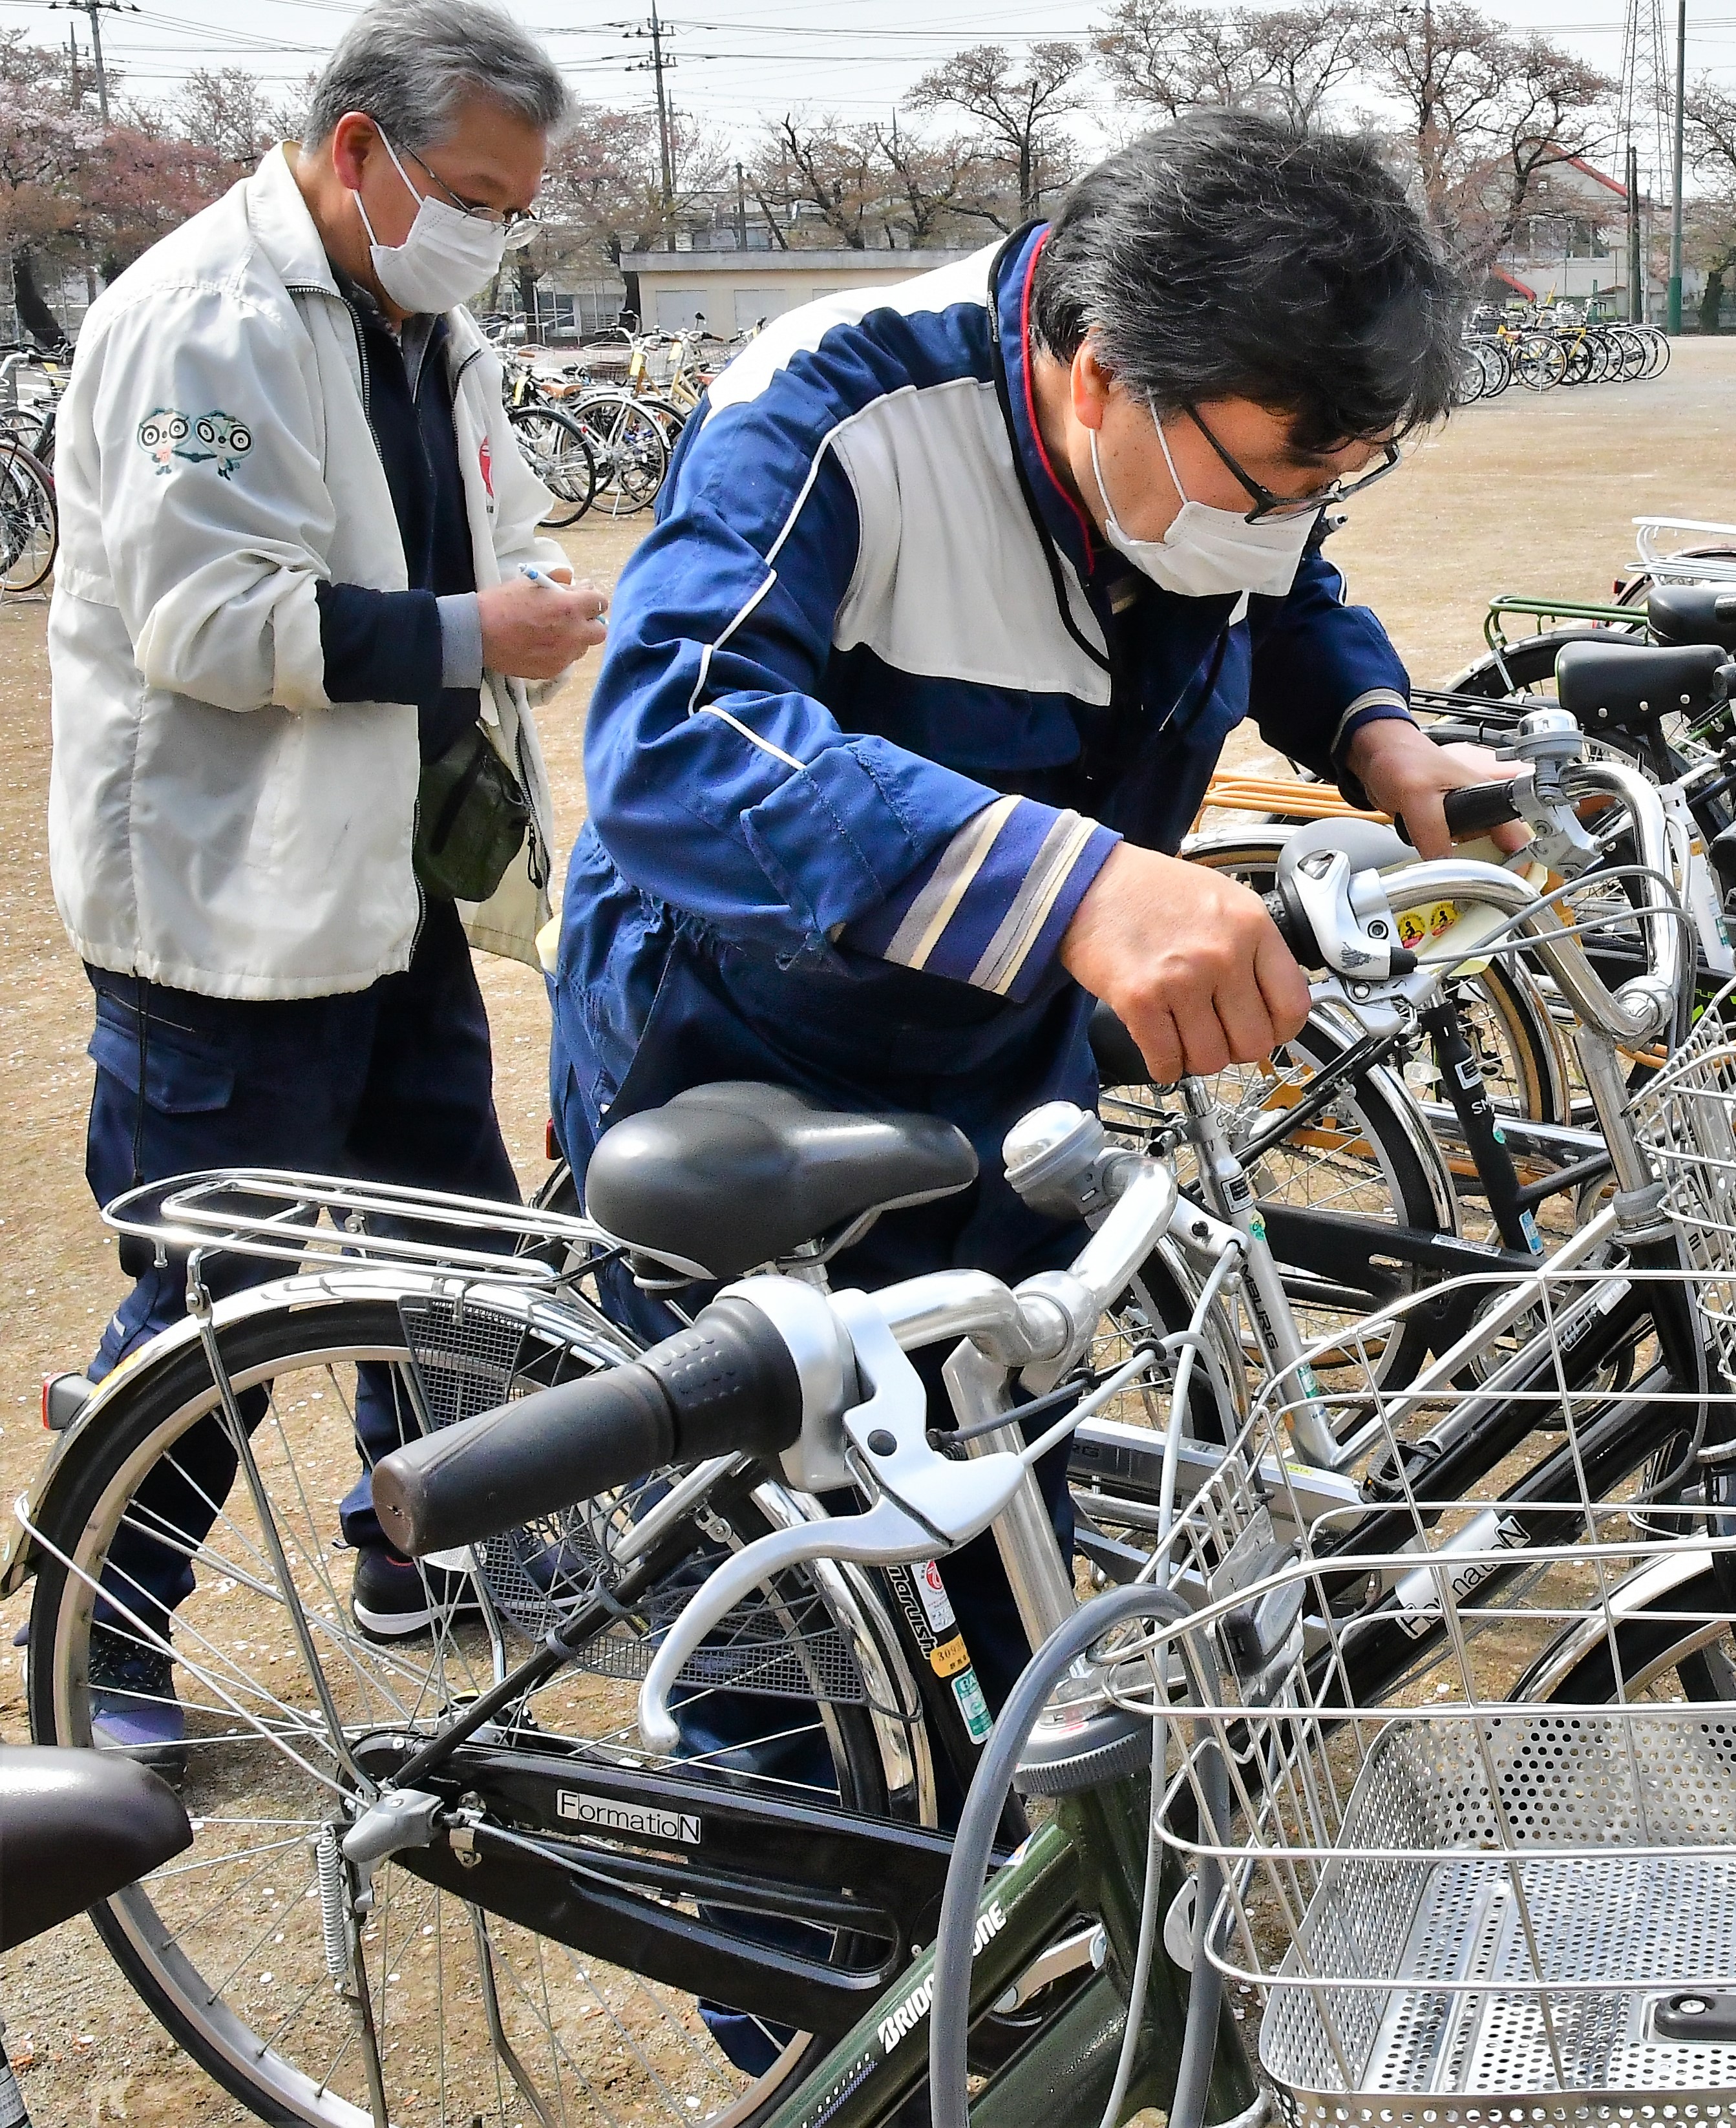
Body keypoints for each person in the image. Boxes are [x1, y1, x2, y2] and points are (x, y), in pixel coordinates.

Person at [551, 109, 1485, 1800]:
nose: (1288, 523)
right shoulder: (836, 404)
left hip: (999, 1047)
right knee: (785, 1571)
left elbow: (1282, 586)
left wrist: (1386, 737)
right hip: (741, 1040)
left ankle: (1021, 1881)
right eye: (1274, 477)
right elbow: (670, 739)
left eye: (1331, 484)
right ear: (1101, 369)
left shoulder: (1205, 457)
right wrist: (1077, 886)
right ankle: (805, 1986)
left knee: (1000, 1476)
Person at [45, 0, 598, 1764]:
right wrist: (470, 627)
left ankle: (417, 1541)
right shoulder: (199, 318)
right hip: (225, 905)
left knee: (461, 1250)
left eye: (518, 209)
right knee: (219, 1287)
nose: (493, 235)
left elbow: (476, 517)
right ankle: (103, 1630)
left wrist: (521, 583)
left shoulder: (420, 312)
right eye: (474, 194)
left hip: (391, 880)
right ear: (356, 148)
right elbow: (206, 624)